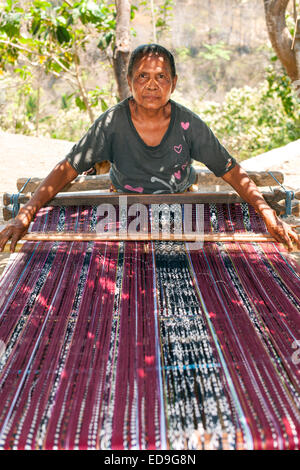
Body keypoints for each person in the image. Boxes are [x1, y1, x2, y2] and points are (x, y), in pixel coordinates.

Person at [0, 44, 299, 253]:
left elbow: (231, 171)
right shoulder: (111, 124)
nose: (152, 85)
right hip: (121, 208)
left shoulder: (188, 126)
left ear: (174, 83)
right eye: (142, 76)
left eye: (161, 77)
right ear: (130, 82)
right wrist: (25, 214)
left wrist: (267, 214)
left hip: (180, 204)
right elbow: (68, 168)